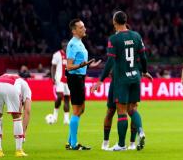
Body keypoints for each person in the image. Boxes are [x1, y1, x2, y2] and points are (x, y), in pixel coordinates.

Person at [93, 11, 152, 151]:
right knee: (132, 109)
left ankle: (121, 144)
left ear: (114, 22)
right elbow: (143, 58)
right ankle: (141, 131)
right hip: (135, 77)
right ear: (126, 20)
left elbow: (110, 61)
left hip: (121, 79)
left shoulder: (114, 39)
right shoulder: (136, 36)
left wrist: (101, 79)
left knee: (121, 112)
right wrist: (144, 71)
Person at [66, 18, 101, 151]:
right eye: (81, 27)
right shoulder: (73, 45)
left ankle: (70, 141)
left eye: (84, 26)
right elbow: (69, 66)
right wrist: (81, 65)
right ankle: (74, 144)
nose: (84, 29)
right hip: (74, 78)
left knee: (81, 109)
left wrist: (90, 65)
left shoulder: (79, 43)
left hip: (80, 77)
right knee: (76, 110)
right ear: (74, 30)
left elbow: (81, 62)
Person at [0, 73, 32, 157]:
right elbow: (27, 111)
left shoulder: (2, 76)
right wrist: (23, 132)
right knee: (17, 117)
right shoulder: (26, 86)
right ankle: (19, 151)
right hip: (11, 87)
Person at [50, 39, 70, 124]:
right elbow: (53, 67)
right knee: (59, 96)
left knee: (66, 99)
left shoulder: (71, 55)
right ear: (62, 46)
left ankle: (66, 119)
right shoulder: (57, 54)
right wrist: (53, 77)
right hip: (59, 79)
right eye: (64, 45)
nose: (65, 47)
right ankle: (55, 116)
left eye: (67, 45)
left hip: (69, 80)